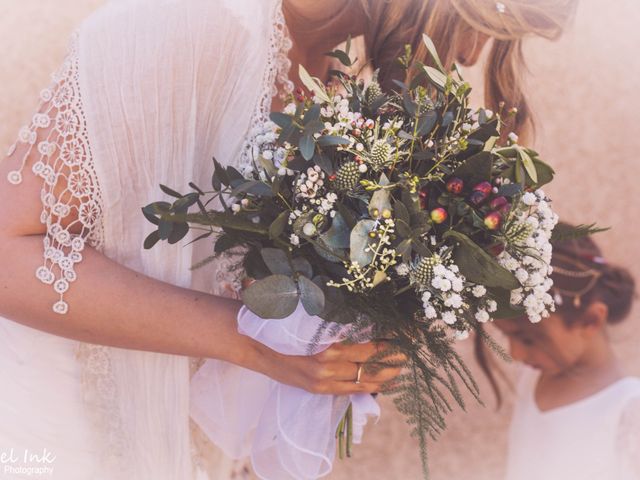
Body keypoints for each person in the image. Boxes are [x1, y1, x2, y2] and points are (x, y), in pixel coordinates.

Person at [0, 0, 577, 478]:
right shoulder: (199, 24)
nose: (472, 56)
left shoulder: (333, 73)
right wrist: (253, 344)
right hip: (60, 434)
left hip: (175, 443)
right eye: (487, 27)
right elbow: (7, 250)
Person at [493, 227, 640, 480]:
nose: (515, 354)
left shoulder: (628, 411)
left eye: (527, 339)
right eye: (508, 336)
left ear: (591, 320)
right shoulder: (531, 376)